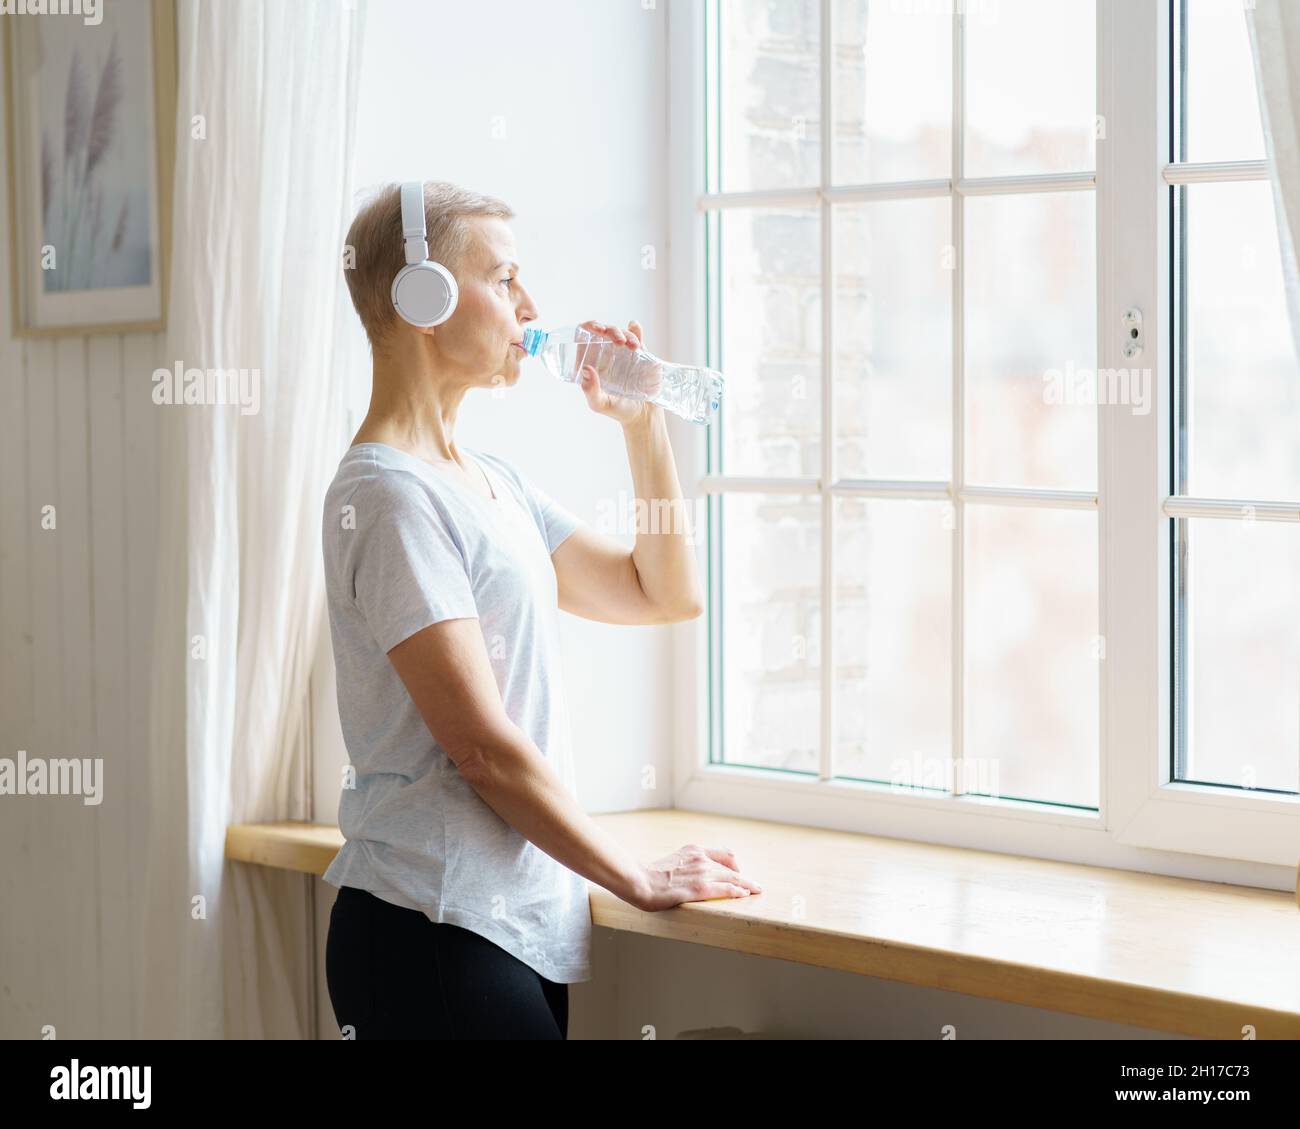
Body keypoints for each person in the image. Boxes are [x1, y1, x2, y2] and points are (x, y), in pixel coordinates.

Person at [320, 181, 762, 1040]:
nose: (532, 306)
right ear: (425, 299)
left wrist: (641, 427)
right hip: (431, 932)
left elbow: (663, 592)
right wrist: (630, 873)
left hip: (507, 927)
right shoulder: (389, 496)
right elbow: (481, 748)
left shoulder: (490, 481)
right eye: (507, 277)